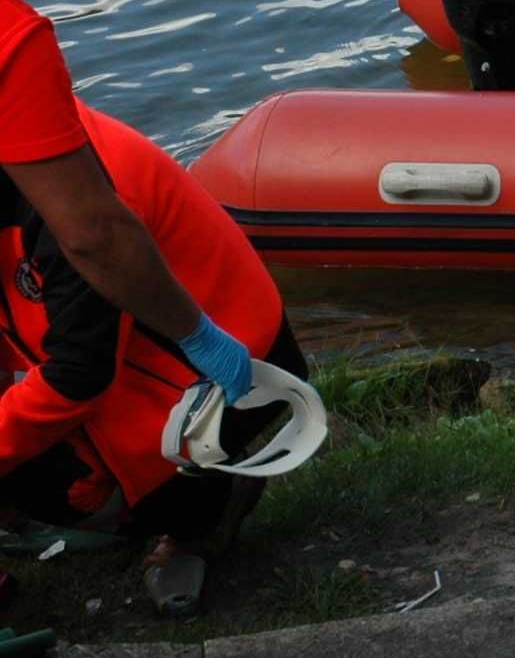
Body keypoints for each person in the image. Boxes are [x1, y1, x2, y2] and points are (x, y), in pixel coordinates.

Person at [0, 0, 299, 618]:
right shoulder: (12, 42)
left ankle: (186, 525)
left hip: (189, 331)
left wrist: (201, 335)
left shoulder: (56, 185)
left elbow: (94, 239)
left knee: (70, 428)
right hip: (81, 274)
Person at [4, 105, 305, 619]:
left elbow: (79, 373)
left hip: (220, 372)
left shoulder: (76, 198)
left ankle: (204, 511)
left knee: (44, 482)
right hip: (118, 352)